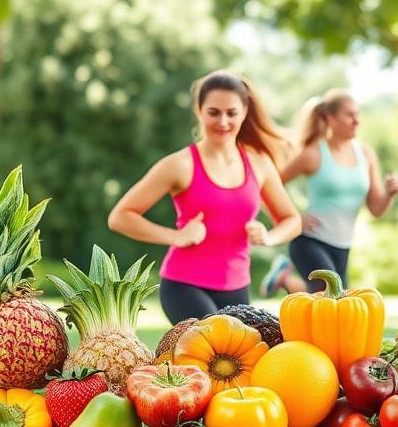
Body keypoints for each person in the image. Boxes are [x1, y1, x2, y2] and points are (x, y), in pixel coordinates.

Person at [108, 70, 301, 324]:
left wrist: (268, 236)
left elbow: (292, 220)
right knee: (216, 344)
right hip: (184, 285)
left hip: (237, 287)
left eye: (231, 113)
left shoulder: (259, 164)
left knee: (242, 358)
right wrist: (176, 236)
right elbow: (120, 217)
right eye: (214, 112)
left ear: (244, 112)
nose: (223, 121)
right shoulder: (181, 165)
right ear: (199, 111)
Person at [259, 90, 398, 295]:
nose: (356, 121)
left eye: (358, 114)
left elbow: (376, 209)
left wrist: (389, 194)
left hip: (343, 246)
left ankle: (285, 280)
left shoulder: (366, 155)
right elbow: (268, 186)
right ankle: (286, 279)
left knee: (335, 301)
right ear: (331, 118)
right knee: (332, 297)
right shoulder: (313, 154)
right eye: (349, 115)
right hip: (310, 241)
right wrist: (292, 218)